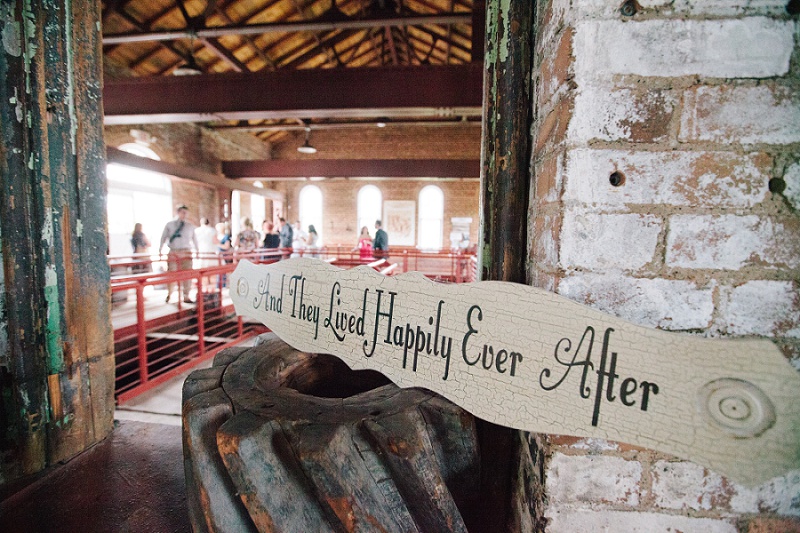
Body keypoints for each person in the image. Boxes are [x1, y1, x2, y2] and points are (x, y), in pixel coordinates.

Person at [159, 204, 198, 304]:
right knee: (172, 273)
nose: (185, 215)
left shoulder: (190, 226)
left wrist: (197, 250)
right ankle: (170, 294)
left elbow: (194, 239)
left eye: (186, 213)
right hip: (174, 251)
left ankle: (186, 295)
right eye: (183, 212)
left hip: (186, 251)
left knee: (187, 274)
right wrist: (160, 250)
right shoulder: (170, 225)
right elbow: (163, 237)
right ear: (178, 212)